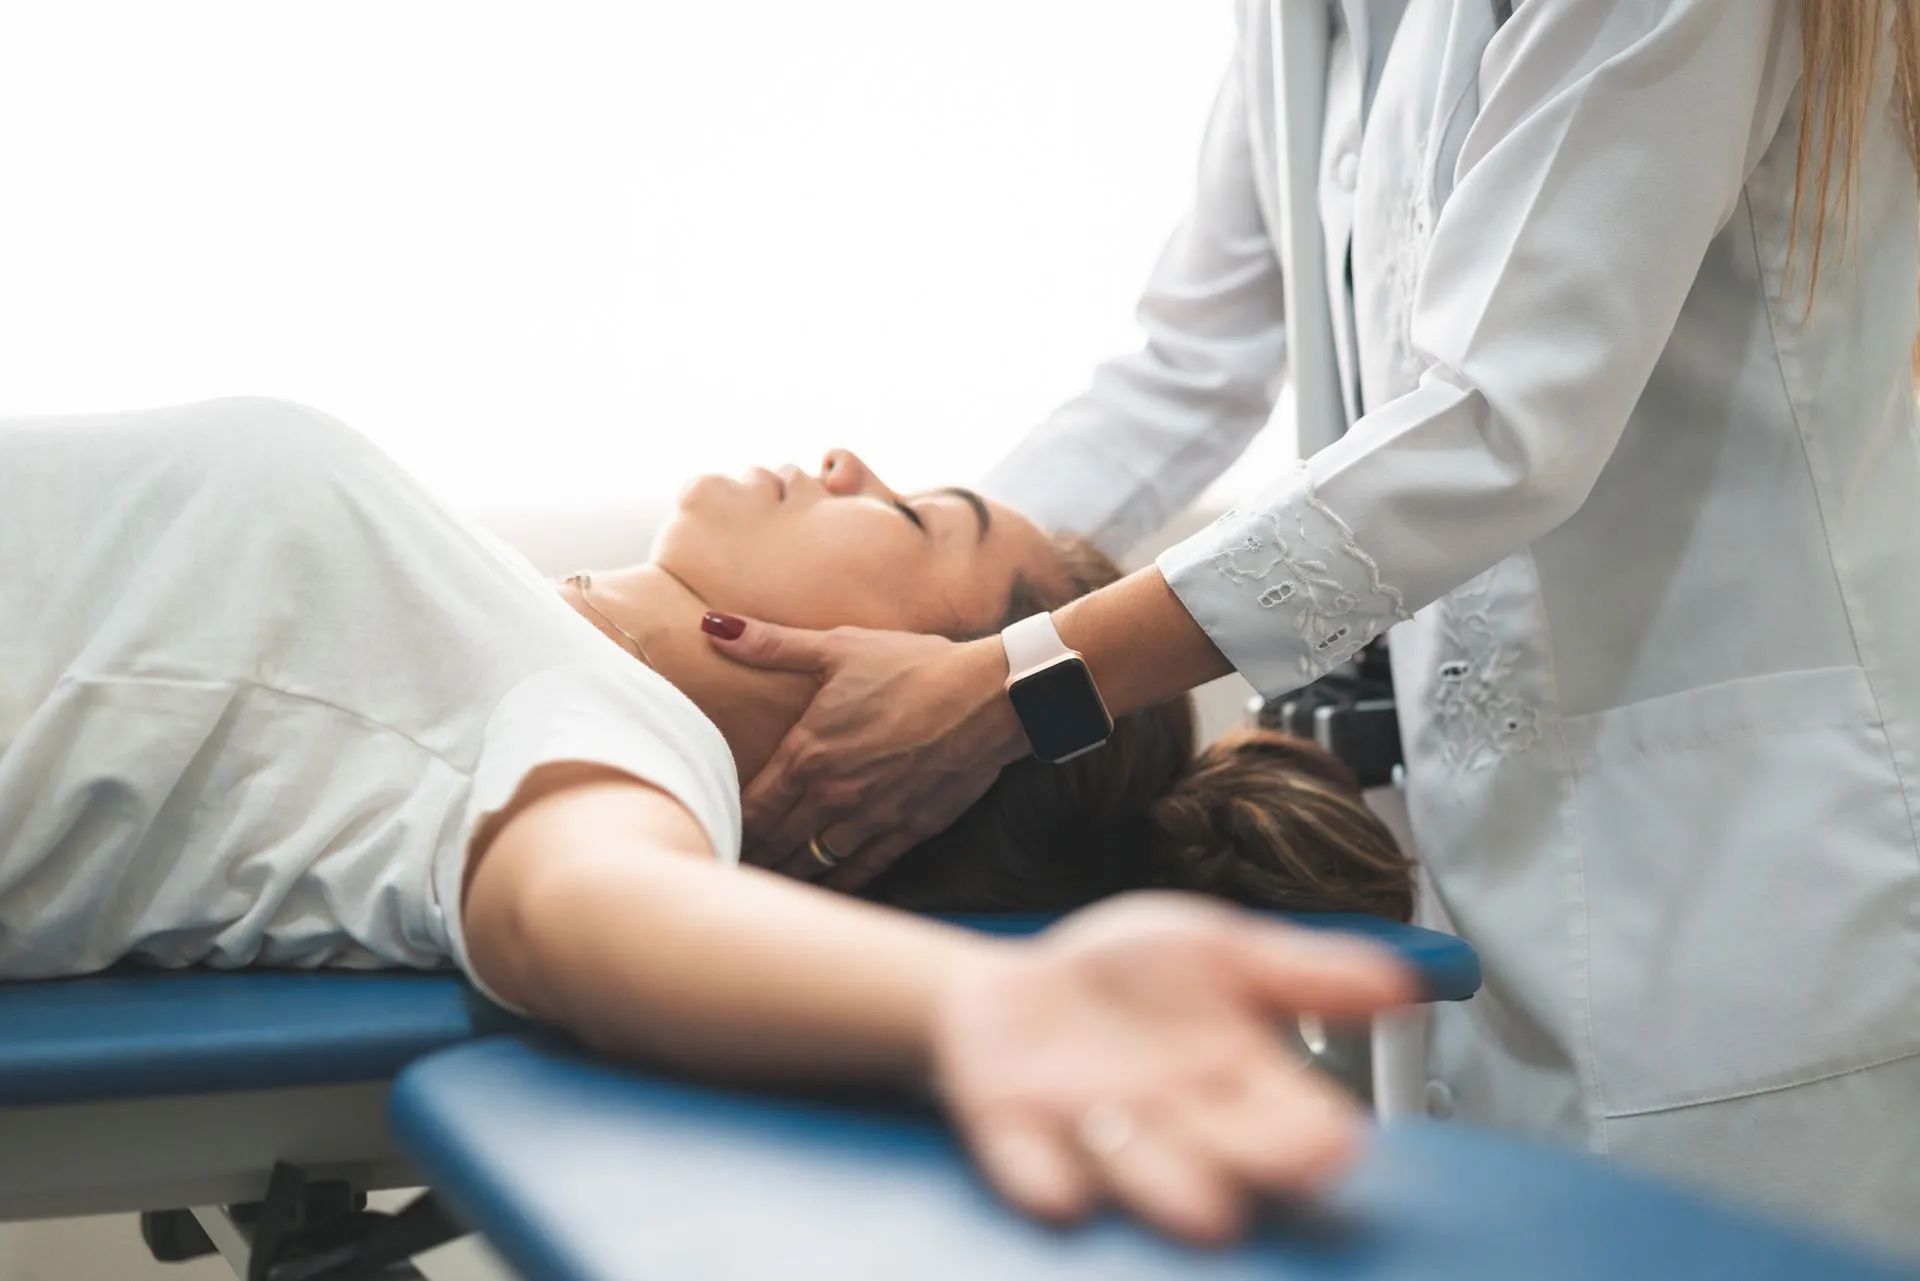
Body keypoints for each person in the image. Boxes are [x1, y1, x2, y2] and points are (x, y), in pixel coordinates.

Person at [701, 0, 1920, 1248]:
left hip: (1749, 874)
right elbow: (1189, 362)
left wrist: (1010, 680)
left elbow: (1500, 422)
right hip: (1484, 864)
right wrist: (939, 624)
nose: (840, 469)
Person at [0, 397, 1417, 1245]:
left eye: (926, 519)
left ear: (913, 716)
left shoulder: (606, 733)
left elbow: (597, 908)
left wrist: (989, 1000)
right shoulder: (508, 621)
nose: (856, 459)